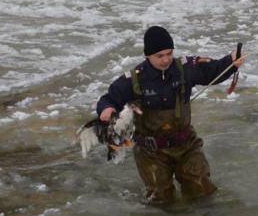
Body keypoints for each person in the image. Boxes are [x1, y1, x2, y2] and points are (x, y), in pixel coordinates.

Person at [96, 26, 245, 206]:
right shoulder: (134, 79)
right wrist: (107, 109)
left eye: (169, 53)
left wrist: (231, 60)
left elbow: (212, 70)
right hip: (151, 152)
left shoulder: (185, 68)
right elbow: (108, 99)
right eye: (160, 56)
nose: (166, 59)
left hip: (186, 145)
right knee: (161, 202)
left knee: (202, 192)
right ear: (147, 55)